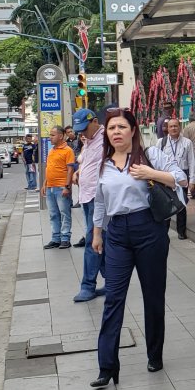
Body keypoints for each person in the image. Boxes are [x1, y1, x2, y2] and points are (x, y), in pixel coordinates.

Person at [90, 107, 185, 387]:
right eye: (111, 128)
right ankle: (107, 366)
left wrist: (149, 173)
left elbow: (180, 178)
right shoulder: (103, 164)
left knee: (153, 295)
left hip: (149, 229)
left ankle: (155, 355)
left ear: (133, 130)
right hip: (117, 233)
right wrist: (97, 234)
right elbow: (99, 202)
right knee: (113, 298)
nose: (116, 132)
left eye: (121, 127)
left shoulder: (150, 155)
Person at [71, 109, 106, 300]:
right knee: (101, 241)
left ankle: (88, 286)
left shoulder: (106, 138)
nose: (82, 133)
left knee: (93, 241)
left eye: (84, 128)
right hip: (85, 196)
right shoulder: (88, 141)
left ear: (94, 121)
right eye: (79, 130)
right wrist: (78, 172)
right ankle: (111, 281)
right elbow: (86, 162)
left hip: (98, 198)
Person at [158, 118, 195, 240]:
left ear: (180, 127)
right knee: (166, 203)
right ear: (167, 129)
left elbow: (192, 162)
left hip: (182, 176)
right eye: (171, 126)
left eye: (175, 126)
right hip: (166, 176)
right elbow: (156, 160)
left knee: (181, 203)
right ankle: (164, 232)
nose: (173, 128)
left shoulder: (187, 143)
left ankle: (181, 231)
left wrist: (192, 180)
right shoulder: (161, 143)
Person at [41, 126, 76, 249]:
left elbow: (70, 170)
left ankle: (65, 238)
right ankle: (56, 238)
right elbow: (49, 168)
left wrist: (67, 187)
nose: (50, 137)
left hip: (61, 187)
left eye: (52, 135)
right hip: (50, 187)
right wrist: (45, 184)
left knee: (64, 213)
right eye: (50, 135)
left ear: (60, 136)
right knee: (53, 214)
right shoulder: (52, 151)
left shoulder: (68, 150)